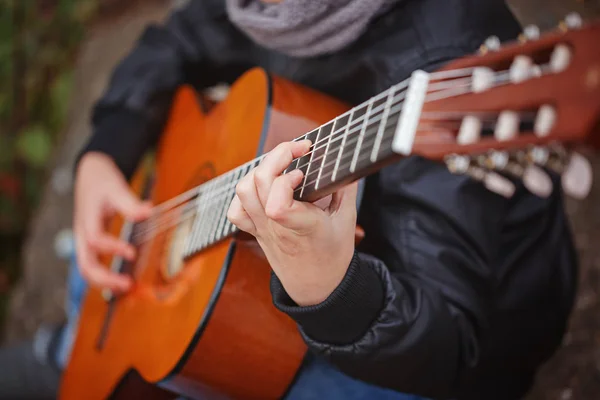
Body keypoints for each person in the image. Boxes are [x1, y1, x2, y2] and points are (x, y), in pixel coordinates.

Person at [0, 0, 579, 399]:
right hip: (296, 259)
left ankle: (90, 359)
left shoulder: (447, 54)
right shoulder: (263, 8)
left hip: (429, 340)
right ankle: (81, 350)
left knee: (211, 366)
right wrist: (106, 150)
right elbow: (178, 38)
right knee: (106, 263)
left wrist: (331, 291)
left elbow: (450, 345)